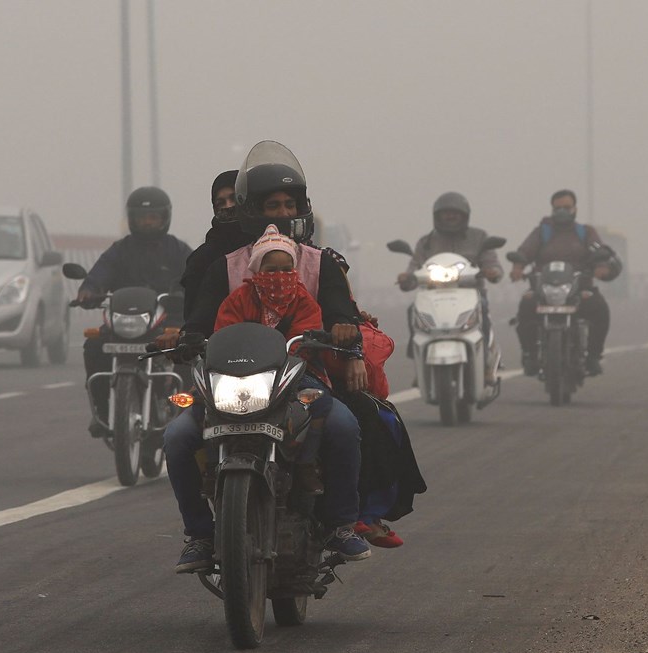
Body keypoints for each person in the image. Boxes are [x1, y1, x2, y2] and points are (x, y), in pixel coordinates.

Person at [166, 140, 371, 573]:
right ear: (248, 210)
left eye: (289, 203)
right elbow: (202, 319)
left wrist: (344, 333)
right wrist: (190, 337)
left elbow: (341, 314)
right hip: (230, 381)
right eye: (270, 204)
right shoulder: (224, 267)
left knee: (343, 425)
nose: (281, 212)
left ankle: (340, 525)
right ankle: (199, 535)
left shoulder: (322, 264)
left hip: (301, 381)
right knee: (177, 438)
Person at [215, 225, 333, 491]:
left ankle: (305, 463)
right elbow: (225, 333)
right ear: (256, 271)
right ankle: (210, 469)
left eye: (286, 269)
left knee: (322, 404)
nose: (279, 276)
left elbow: (306, 339)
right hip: (241, 378)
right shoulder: (238, 299)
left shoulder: (304, 302)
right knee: (197, 416)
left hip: (293, 378)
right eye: (271, 270)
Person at [77, 186, 192, 436]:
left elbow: (196, 277)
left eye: (153, 217)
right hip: (125, 321)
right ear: (131, 219)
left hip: (166, 322)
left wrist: (190, 293)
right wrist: (89, 290)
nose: (147, 222)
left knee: (187, 351)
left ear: (165, 218)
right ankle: (102, 410)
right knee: (94, 346)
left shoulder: (178, 250)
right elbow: (100, 273)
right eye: (142, 217)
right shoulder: (120, 250)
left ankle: (187, 413)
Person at [509, 189, 622, 376]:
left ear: (575, 209)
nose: (562, 211)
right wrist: (517, 267)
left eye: (566, 207)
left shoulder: (585, 232)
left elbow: (598, 250)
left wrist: (601, 266)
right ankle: (529, 355)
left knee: (600, 309)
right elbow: (524, 251)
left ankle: (593, 356)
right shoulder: (541, 233)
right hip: (542, 290)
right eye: (558, 208)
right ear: (552, 209)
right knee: (526, 306)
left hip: (579, 289)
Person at [396, 191, 504, 383]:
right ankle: (418, 361)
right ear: (436, 216)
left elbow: (492, 262)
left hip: (471, 294)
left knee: (483, 311)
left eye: (455, 213)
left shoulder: (479, 237)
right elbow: (414, 267)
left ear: (465, 216)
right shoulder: (426, 242)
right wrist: (407, 278)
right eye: (446, 213)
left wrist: (492, 271)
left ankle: (486, 363)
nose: (450, 216)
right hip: (433, 294)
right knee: (413, 310)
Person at [179, 170, 254, 320]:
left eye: (234, 198)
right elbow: (194, 320)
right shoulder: (202, 259)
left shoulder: (267, 246)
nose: (228, 206)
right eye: (221, 203)